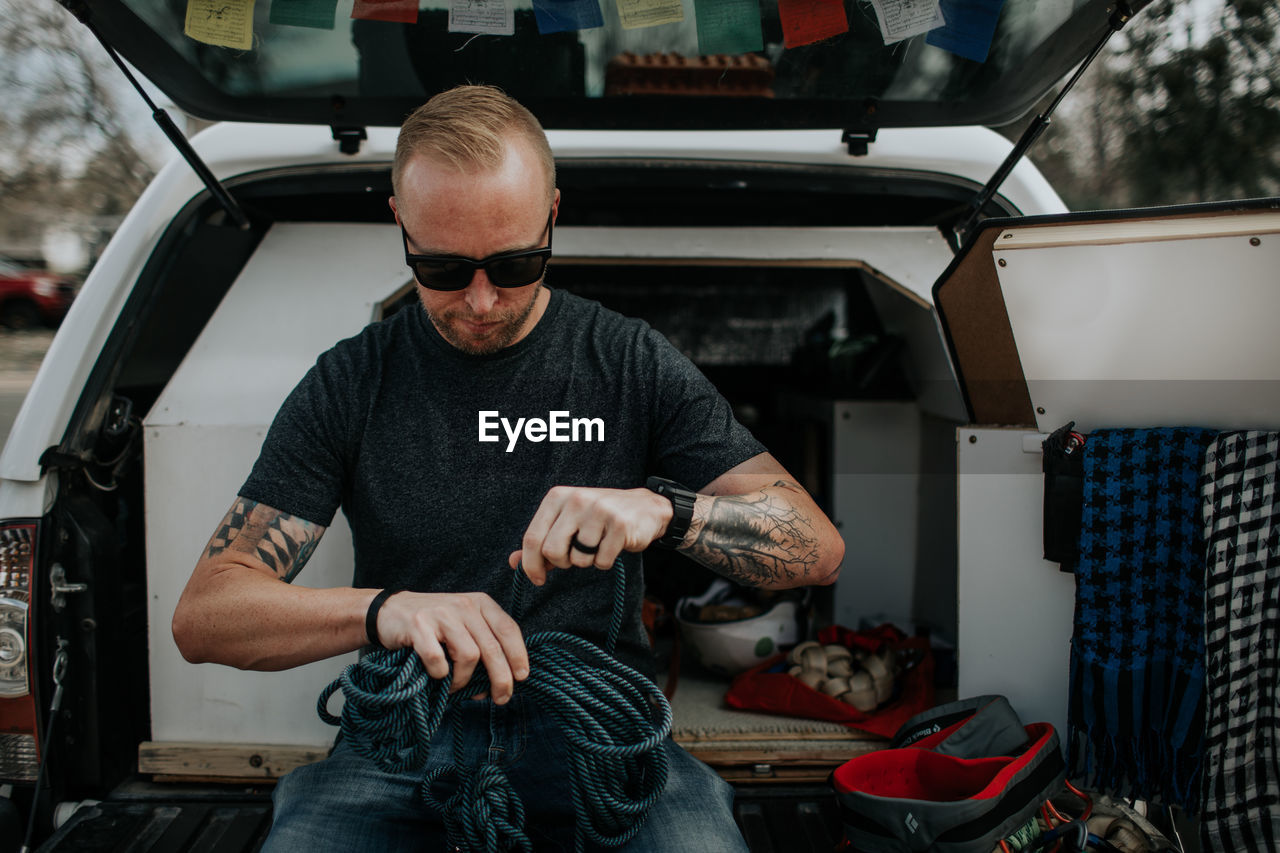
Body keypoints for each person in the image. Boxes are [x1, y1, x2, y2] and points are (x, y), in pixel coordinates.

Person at [171, 84, 844, 851]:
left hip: (599, 727)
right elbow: (205, 615)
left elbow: (817, 549)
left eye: (516, 262)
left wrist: (666, 510)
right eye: (444, 268)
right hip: (404, 736)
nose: (483, 299)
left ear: (553, 214)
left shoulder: (628, 362)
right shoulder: (352, 381)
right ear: (400, 224)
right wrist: (388, 609)